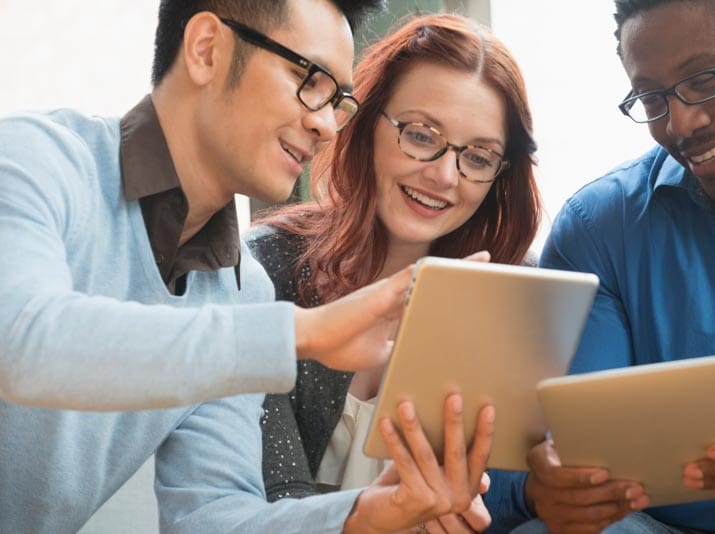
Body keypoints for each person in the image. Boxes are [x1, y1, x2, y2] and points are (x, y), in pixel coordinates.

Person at [0, 1, 497, 532]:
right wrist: (303, 332)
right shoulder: (31, 160)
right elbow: (22, 342)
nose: (327, 125)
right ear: (206, 49)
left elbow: (210, 519)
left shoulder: (242, 293)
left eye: (338, 101)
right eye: (309, 80)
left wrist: (370, 513)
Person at [484, 1, 715, 533]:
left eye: (704, 79)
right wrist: (553, 485)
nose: (680, 124)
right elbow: (548, 454)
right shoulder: (600, 228)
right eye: (651, 98)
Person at [245, 12, 542, 533]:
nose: (445, 176)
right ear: (365, 123)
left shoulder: (510, 291)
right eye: (422, 136)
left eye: (479, 157)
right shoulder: (263, 269)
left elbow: (502, 495)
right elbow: (271, 503)